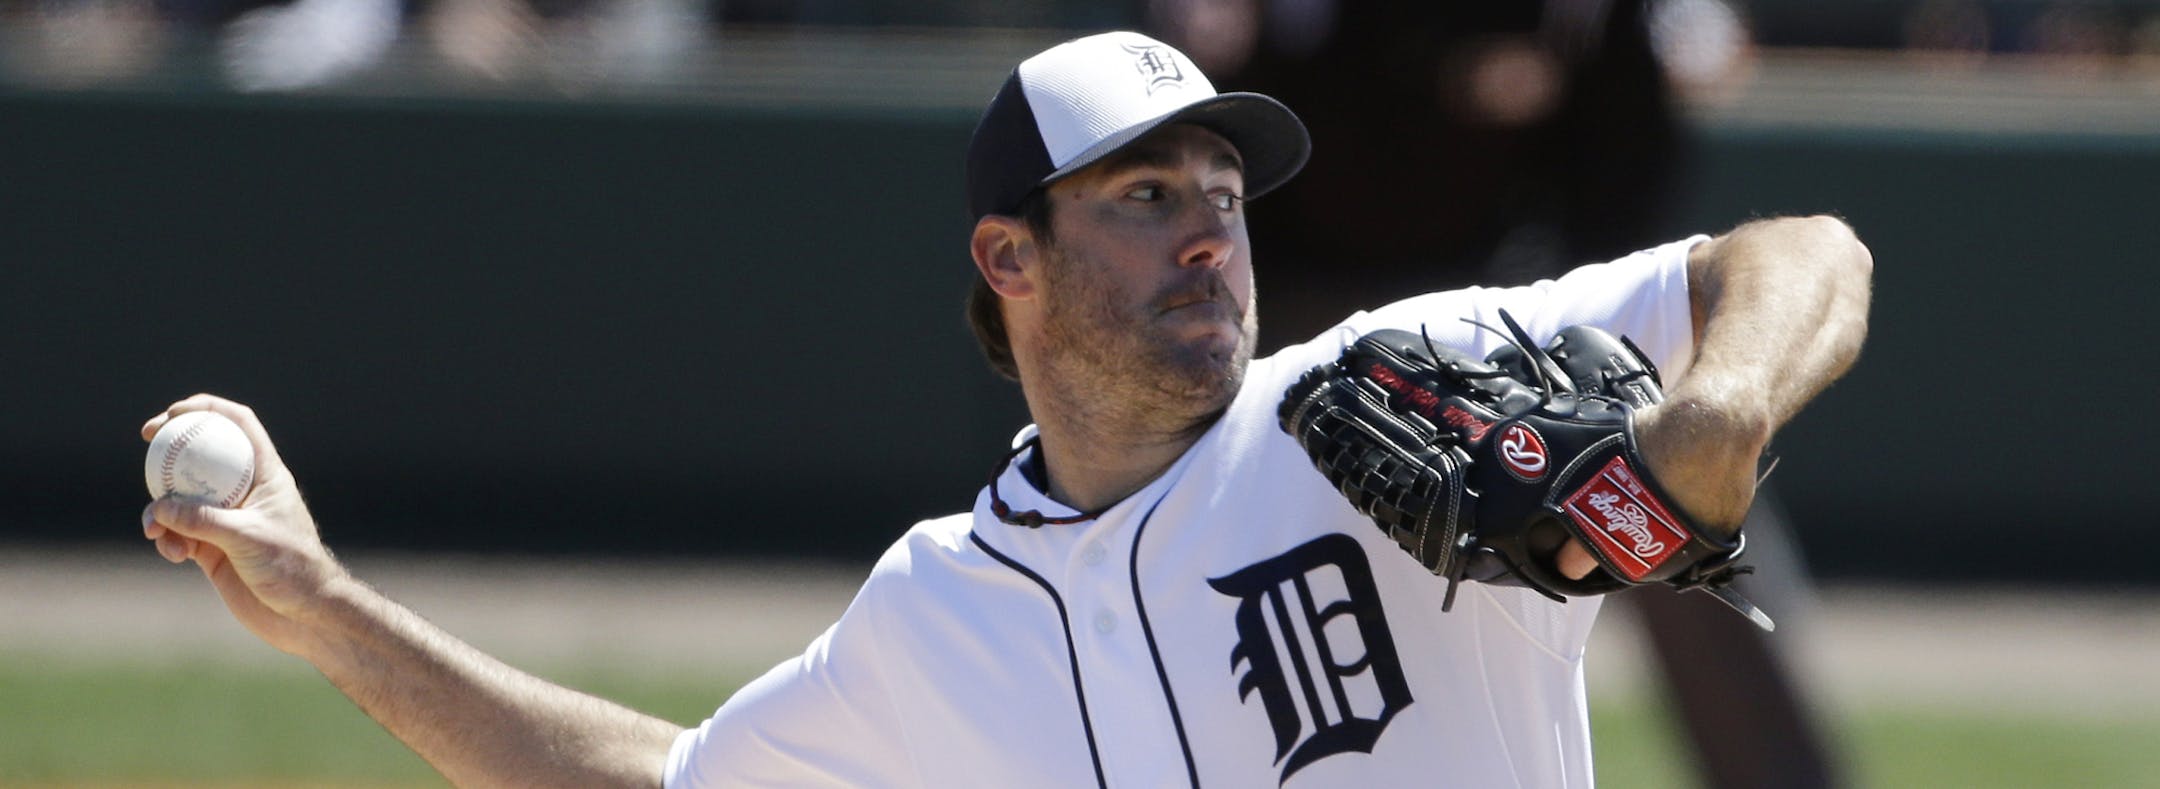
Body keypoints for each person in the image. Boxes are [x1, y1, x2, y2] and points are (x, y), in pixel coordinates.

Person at [140, 31, 1871, 788]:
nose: (1208, 223)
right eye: (1143, 196)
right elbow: (657, 782)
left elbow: (1802, 247)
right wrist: (325, 612)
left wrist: (1713, 408)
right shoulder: (938, 611)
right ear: (1010, 258)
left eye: (1223, 187)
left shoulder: (1375, 394)